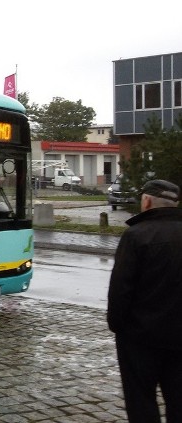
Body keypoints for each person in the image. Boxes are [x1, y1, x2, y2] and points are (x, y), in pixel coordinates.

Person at [108, 179, 182, 422]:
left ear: (147, 201)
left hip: (140, 338)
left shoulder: (136, 235)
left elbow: (121, 289)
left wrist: (118, 325)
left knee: (141, 400)